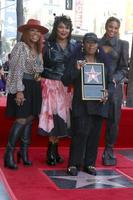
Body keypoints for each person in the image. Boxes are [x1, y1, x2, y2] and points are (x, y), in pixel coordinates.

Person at [62, 33, 109, 176]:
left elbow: (110, 82)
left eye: (94, 43)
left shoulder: (103, 62)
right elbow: (65, 80)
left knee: (94, 135)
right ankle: (73, 164)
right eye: (88, 42)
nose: (91, 45)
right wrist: (76, 69)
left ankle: (90, 164)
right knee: (80, 133)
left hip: (99, 104)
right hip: (81, 103)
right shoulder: (76, 60)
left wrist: (107, 92)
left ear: (97, 45)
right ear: (83, 44)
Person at [4, 19, 49, 170]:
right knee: (22, 119)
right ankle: (9, 153)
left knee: (30, 119)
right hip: (22, 86)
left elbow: (37, 71)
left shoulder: (38, 50)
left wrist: (38, 76)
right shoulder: (20, 47)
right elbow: (16, 70)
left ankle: (23, 153)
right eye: (32, 30)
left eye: (38, 31)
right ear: (25, 32)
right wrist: (19, 91)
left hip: (34, 87)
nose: (35, 34)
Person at [38, 15, 79, 166]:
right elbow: (41, 65)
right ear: (56, 28)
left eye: (66, 27)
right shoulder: (47, 45)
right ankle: (50, 151)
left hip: (67, 87)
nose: (64, 30)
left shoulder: (75, 46)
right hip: (51, 85)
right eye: (61, 27)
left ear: (70, 30)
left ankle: (56, 150)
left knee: (63, 119)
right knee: (53, 117)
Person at [99, 16, 129, 166]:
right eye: (111, 26)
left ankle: (109, 150)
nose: (113, 30)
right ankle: (87, 151)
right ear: (106, 26)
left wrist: (114, 79)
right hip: (97, 86)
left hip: (115, 88)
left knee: (113, 121)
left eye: (116, 28)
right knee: (93, 119)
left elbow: (124, 68)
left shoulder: (123, 44)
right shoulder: (96, 42)